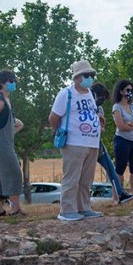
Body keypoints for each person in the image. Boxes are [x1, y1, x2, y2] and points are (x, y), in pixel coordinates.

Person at [49, 60, 102, 221]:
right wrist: (61, 132)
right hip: (74, 142)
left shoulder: (90, 94)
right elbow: (53, 117)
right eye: (87, 75)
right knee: (72, 177)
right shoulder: (66, 93)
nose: (90, 78)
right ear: (77, 77)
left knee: (86, 179)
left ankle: (83, 207)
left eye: (92, 75)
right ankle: (67, 210)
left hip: (91, 142)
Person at [0, 69, 24, 216]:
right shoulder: (0, 100)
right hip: (1, 143)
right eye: (11, 81)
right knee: (14, 172)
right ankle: (16, 209)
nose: (14, 84)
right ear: (2, 83)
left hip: (3, 142)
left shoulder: (6, 100)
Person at [91, 83, 133, 204]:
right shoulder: (87, 107)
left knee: (111, 169)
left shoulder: (99, 109)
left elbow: (102, 128)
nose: (102, 101)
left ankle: (120, 194)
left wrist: (101, 124)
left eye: (104, 98)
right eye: (101, 98)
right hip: (86, 144)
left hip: (98, 144)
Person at [110, 80, 133, 199]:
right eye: (127, 90)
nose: (130, 92)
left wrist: (129, 123)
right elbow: (120, 126)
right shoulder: (117, 107)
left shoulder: (132, 106)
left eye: (131, 90)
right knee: (120, 169)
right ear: (121, 91)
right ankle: (117, 196)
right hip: (122, 141)